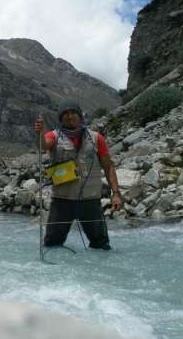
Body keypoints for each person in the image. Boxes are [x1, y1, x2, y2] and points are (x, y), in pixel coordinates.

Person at [33, 100, 123, 250]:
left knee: (101, 246)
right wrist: (40, 133)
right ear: (60, 119)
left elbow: (108, 167)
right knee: (52, 245)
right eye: (65, 114)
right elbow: (43, 144)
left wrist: (116, 193)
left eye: (73, 113)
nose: (69, 116)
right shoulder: (53, 136)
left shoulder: (96, 139)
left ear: (80, 116)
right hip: (62, 200)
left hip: (90, 200)